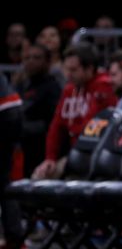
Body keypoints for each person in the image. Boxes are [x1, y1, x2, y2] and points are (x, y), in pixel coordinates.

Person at [32, 44, 116, 179]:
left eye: (73, 70)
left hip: (95, 153)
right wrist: (50, 158)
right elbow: (56, 126)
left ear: (89, 68)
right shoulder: (69, 90)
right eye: (66, 69)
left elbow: (93, 127)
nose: (68, 75)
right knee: (40, 175)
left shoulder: (104, 87)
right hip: (74, 153)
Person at [14, 44, 62, 177]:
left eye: (36, 58)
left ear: (47, 62)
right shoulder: (19, 86)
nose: (31, 61)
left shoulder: (53, 88)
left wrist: (22, 128)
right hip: (21, 148)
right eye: (27, 57)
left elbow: (52, 123)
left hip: (41, 149)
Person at [0, 74, 23, 249]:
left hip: (5, 110)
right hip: (10, 109)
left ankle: (14, 238)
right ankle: (14, 238)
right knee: (4, 181)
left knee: (4, 181)